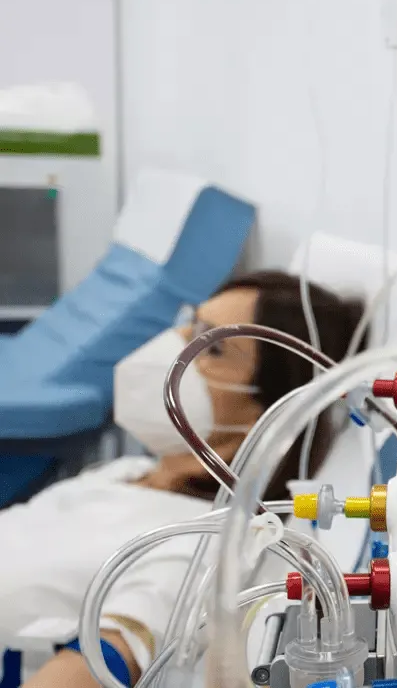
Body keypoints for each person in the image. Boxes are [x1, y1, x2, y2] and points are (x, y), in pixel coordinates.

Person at [0, 271, 365, 688]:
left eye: (214, 346)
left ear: (265, 411)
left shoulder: (196, 546)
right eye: (191, 325)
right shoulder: (128, 472)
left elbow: (106, 661)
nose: (175, 347)